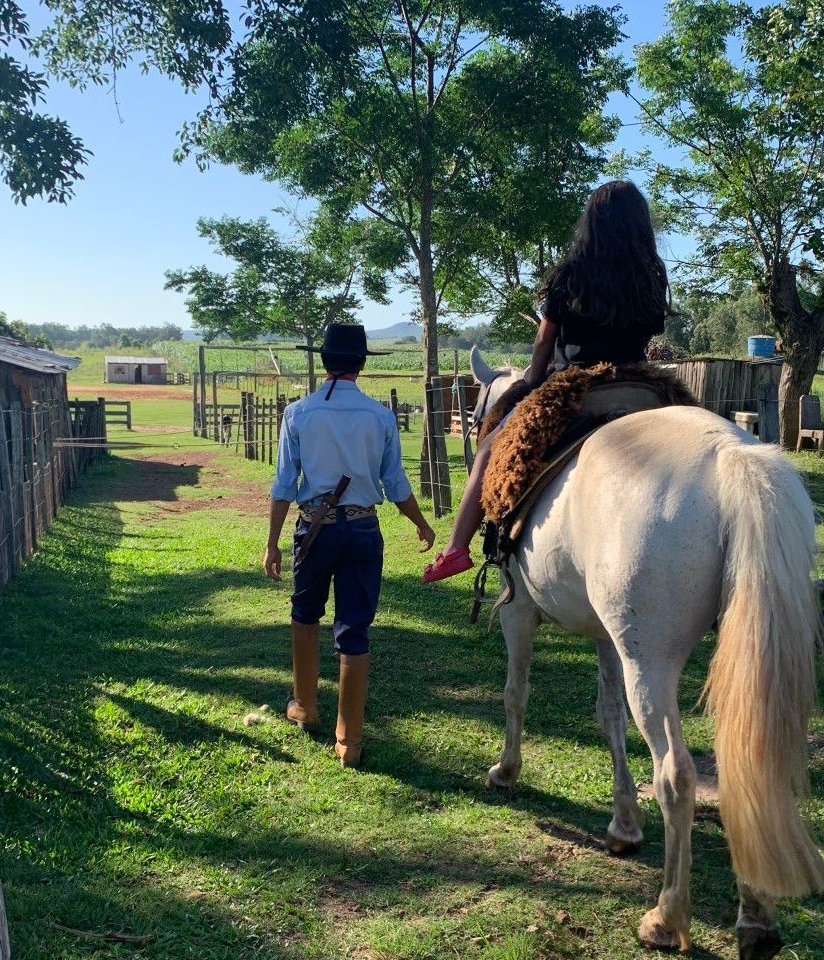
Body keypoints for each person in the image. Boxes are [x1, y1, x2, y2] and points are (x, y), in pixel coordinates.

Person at [422, 180, 670, 583]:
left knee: (490, 447)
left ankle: (456, 549)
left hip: (577, 384)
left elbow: (544, 339)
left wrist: (531, 382)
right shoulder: (651, 276)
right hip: (641, 382)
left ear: (592, 223)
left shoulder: (571, 275)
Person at [265, 321, 436, 766]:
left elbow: (285, 485)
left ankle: (304, 706)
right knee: (355, 627)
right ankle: (350, 742)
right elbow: (395, 483)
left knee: (305, 613)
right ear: (361, 364)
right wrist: (420, 522)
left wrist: (272, 543)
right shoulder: (380, 416)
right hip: (362, 529)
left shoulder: (298, 414)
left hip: (314, 527)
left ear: (324, 362)